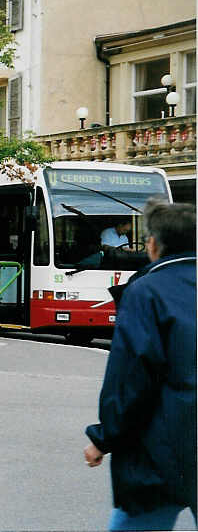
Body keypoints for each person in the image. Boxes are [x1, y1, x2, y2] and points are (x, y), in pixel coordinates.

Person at [83, 199, 196, 531]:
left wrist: (103, 439)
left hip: (164, 452)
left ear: (153, 244)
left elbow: (131, 380)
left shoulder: (146, 292)